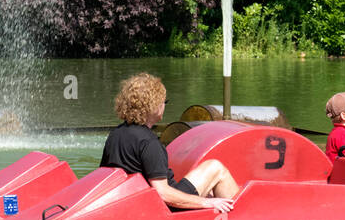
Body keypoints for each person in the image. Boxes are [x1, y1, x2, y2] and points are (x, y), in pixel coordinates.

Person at [100, 73, 240, 212]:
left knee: (209, 182)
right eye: (164, 102)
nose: (164, 106)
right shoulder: (149, 142)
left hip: (138, 204)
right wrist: (207, 203)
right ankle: (242, 218)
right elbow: (162, 193)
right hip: (167, 209)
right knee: (216, 168)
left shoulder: (115, 135)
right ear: (154, 106)